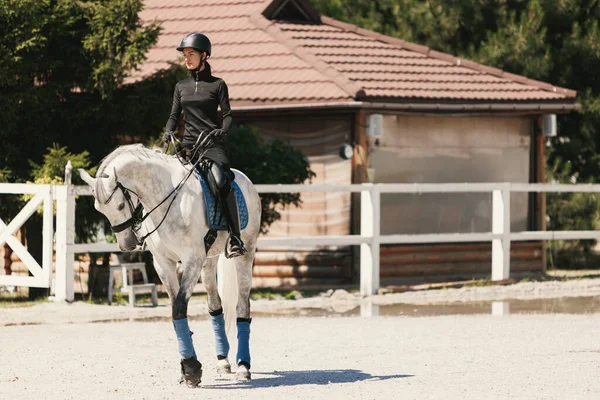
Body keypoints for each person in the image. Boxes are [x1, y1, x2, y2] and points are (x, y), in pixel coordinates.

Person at [163, 32, 246, 258]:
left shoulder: (218, 84)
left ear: (204, 55)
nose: (187, 59)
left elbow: (227, 115)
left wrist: (222, 130)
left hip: (210, 144)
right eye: (185, 55)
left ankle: (235, 237)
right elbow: (174, 115)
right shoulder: (181, 86)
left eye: (191, 54)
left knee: (220, 182)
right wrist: (167, 131)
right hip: (187, 146)